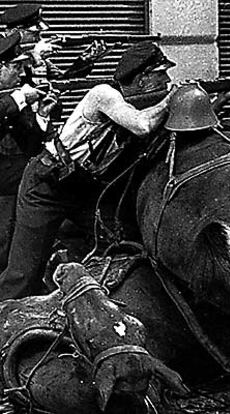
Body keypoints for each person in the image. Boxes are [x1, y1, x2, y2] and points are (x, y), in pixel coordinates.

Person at [0, 41, 177, 300]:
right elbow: (142, 126)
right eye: (161, 74)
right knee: (23, 275)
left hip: (82, 187)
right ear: (141, 79)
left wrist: (221, 99)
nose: (167, 80)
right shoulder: (104, 94)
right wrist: (173, 99)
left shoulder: (140, 104)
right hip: (46, 185)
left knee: (121, 244)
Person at [0, 32, 58, 273]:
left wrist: (42, 115)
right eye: (15, 67)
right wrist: (20, 98)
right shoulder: (14, 98)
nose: (20, 73)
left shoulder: (14, 96)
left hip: (16, 188)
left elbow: (30, 144)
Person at [0, 3, 107, 83]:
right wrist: (35, 57)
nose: (39, 39)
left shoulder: (31, 52)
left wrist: (85, 61)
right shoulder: (3, 51)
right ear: (15, 32)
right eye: (35, 34)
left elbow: (61, 80)